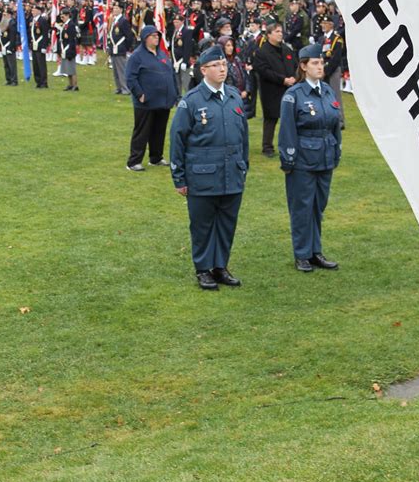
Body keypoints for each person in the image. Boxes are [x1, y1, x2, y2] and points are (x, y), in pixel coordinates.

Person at [170, 44, 249, 290]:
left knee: (227, 223)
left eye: (224, 64)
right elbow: (178, 140)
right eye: (216, 65)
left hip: (232, 173)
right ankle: (203, 269)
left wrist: (243, 166)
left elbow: (243, 137)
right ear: (203, 70)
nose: (222, 69)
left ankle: (220, 266)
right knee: (203, 224)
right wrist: (179, 178)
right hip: (203, 174)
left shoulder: (234, 95)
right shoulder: (192, 101)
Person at [278, 43, 341, 272]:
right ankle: (302, 254)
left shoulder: (327, 91)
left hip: (325, 156)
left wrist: (336, 150)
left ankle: (316, 251)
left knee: (318, 206)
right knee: (302, 206)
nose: (320, 66)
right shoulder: (294, 95)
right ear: (303, 66)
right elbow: (287, 131)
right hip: (304, 158)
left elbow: (335, 125)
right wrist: (289, 159)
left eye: (321, 63)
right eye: (315, 63)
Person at [125, 25, 178, 172]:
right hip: (146, 102)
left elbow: (171, 74)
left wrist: (175, 93)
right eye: (153, 35)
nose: (156, 38)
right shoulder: (137, 56)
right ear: (144, 38)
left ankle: (156, 157)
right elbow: (130, 78)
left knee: (159, 130)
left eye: (157, 35)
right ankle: (134, 161)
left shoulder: (162, 54)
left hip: (163, 101)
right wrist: (139, 93)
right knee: (142, 131)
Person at [253, 22, 296, 157]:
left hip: (289, 88)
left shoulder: (287, 50)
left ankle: (290, 145)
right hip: (271, 89)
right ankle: (267, 147)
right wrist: (282, 79)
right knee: (271, 119)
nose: (280, 34)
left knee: (290, 119)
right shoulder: (262, 52)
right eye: (277, 31)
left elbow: (296, 65)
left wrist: (294, 78)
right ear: (269, 34)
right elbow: (263, 71)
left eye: (281, 31)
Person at [318, 15, 345, 129]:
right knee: (323, 95)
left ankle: (340, 120)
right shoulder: (322, 38)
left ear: (331, 24)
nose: (323, 26)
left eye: (325, 24)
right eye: (322, 24)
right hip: (322, 68)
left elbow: (336, 58)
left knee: (335, 95)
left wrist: (327, 71)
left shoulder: (336, 38)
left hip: (332, 69)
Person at [107, 0, 132, 95]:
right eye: (114, 8)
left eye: (117, 8)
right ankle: (119, 87)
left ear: (121, 10)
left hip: (120, 48)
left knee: (121, 69)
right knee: (115, 70)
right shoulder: (114, 20)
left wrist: (125, 48)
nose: (115, 10)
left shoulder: (123, 21)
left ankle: (125, 88)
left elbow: (128, 36)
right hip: (113, 48)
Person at [58, 7, 79, 91]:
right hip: (64, 49)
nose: (61, 18)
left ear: (67, 16)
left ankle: (75, 85)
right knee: (67, 68)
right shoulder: (65, 25)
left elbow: (72, 39)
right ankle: (70, 84)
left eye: (63, 17)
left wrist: (70, 51)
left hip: (70, 49)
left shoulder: (71, 25)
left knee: (72, 69)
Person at [30, 4, 49, 88]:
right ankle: (38, 81)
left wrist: (44, 46)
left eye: (34, 10)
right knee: (35, 64)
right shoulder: (33, 20)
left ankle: (43, 82)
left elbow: (45, 34)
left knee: (41, 64)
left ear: (38, 11)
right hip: (34, 44)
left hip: (40, 45)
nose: (32, 12)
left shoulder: (42, 20)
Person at [0, 7, 18, 86]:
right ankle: (8, 79)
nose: (3, 15)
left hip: (9, 46)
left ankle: (14, 80)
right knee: (6, 64)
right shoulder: (3, 22)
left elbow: (13, 36)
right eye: (3, 13)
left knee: (11, 64)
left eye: (5, 14)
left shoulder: (12, 23)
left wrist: (11, 47)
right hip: (3, 46)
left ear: (9, 15)